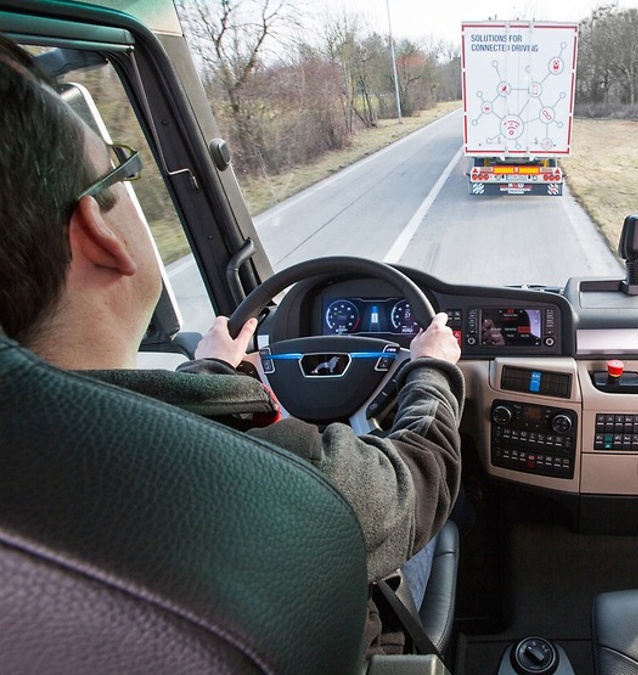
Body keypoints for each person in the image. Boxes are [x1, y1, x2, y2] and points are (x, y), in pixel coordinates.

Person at [0, 35, 463, 655]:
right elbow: (415, 486)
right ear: (97, 232)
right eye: (122, 170)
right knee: (444, 522)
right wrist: (431, 371)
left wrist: (214, 369)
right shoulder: (261, 471)